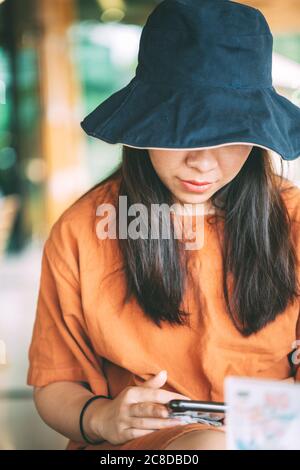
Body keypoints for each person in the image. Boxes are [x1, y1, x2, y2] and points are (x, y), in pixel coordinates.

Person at [27, 0, 300, 451]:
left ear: (258, 137)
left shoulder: (291, 220)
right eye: (181, 134)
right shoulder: (83, 231)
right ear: (147, 123)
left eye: (229, 137)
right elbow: (55, 383)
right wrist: (101, 417)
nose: (202, 162)